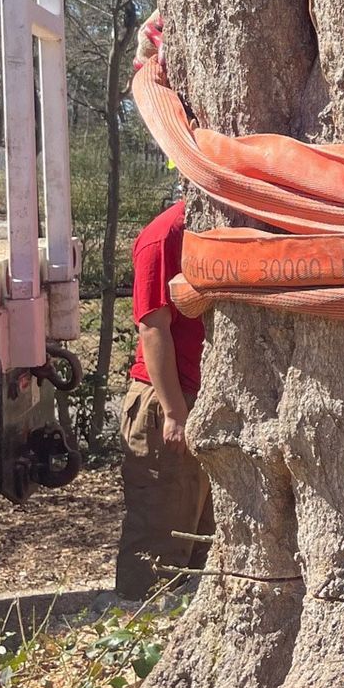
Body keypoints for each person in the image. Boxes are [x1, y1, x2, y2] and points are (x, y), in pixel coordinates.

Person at [116, 198, 212, 598]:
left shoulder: (215, 225)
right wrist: (174, 412)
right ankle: (139, 618)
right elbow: (153, 327)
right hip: (167, 402)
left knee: (203, 533)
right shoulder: (163, 236)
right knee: (160, 533)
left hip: (205, 400)